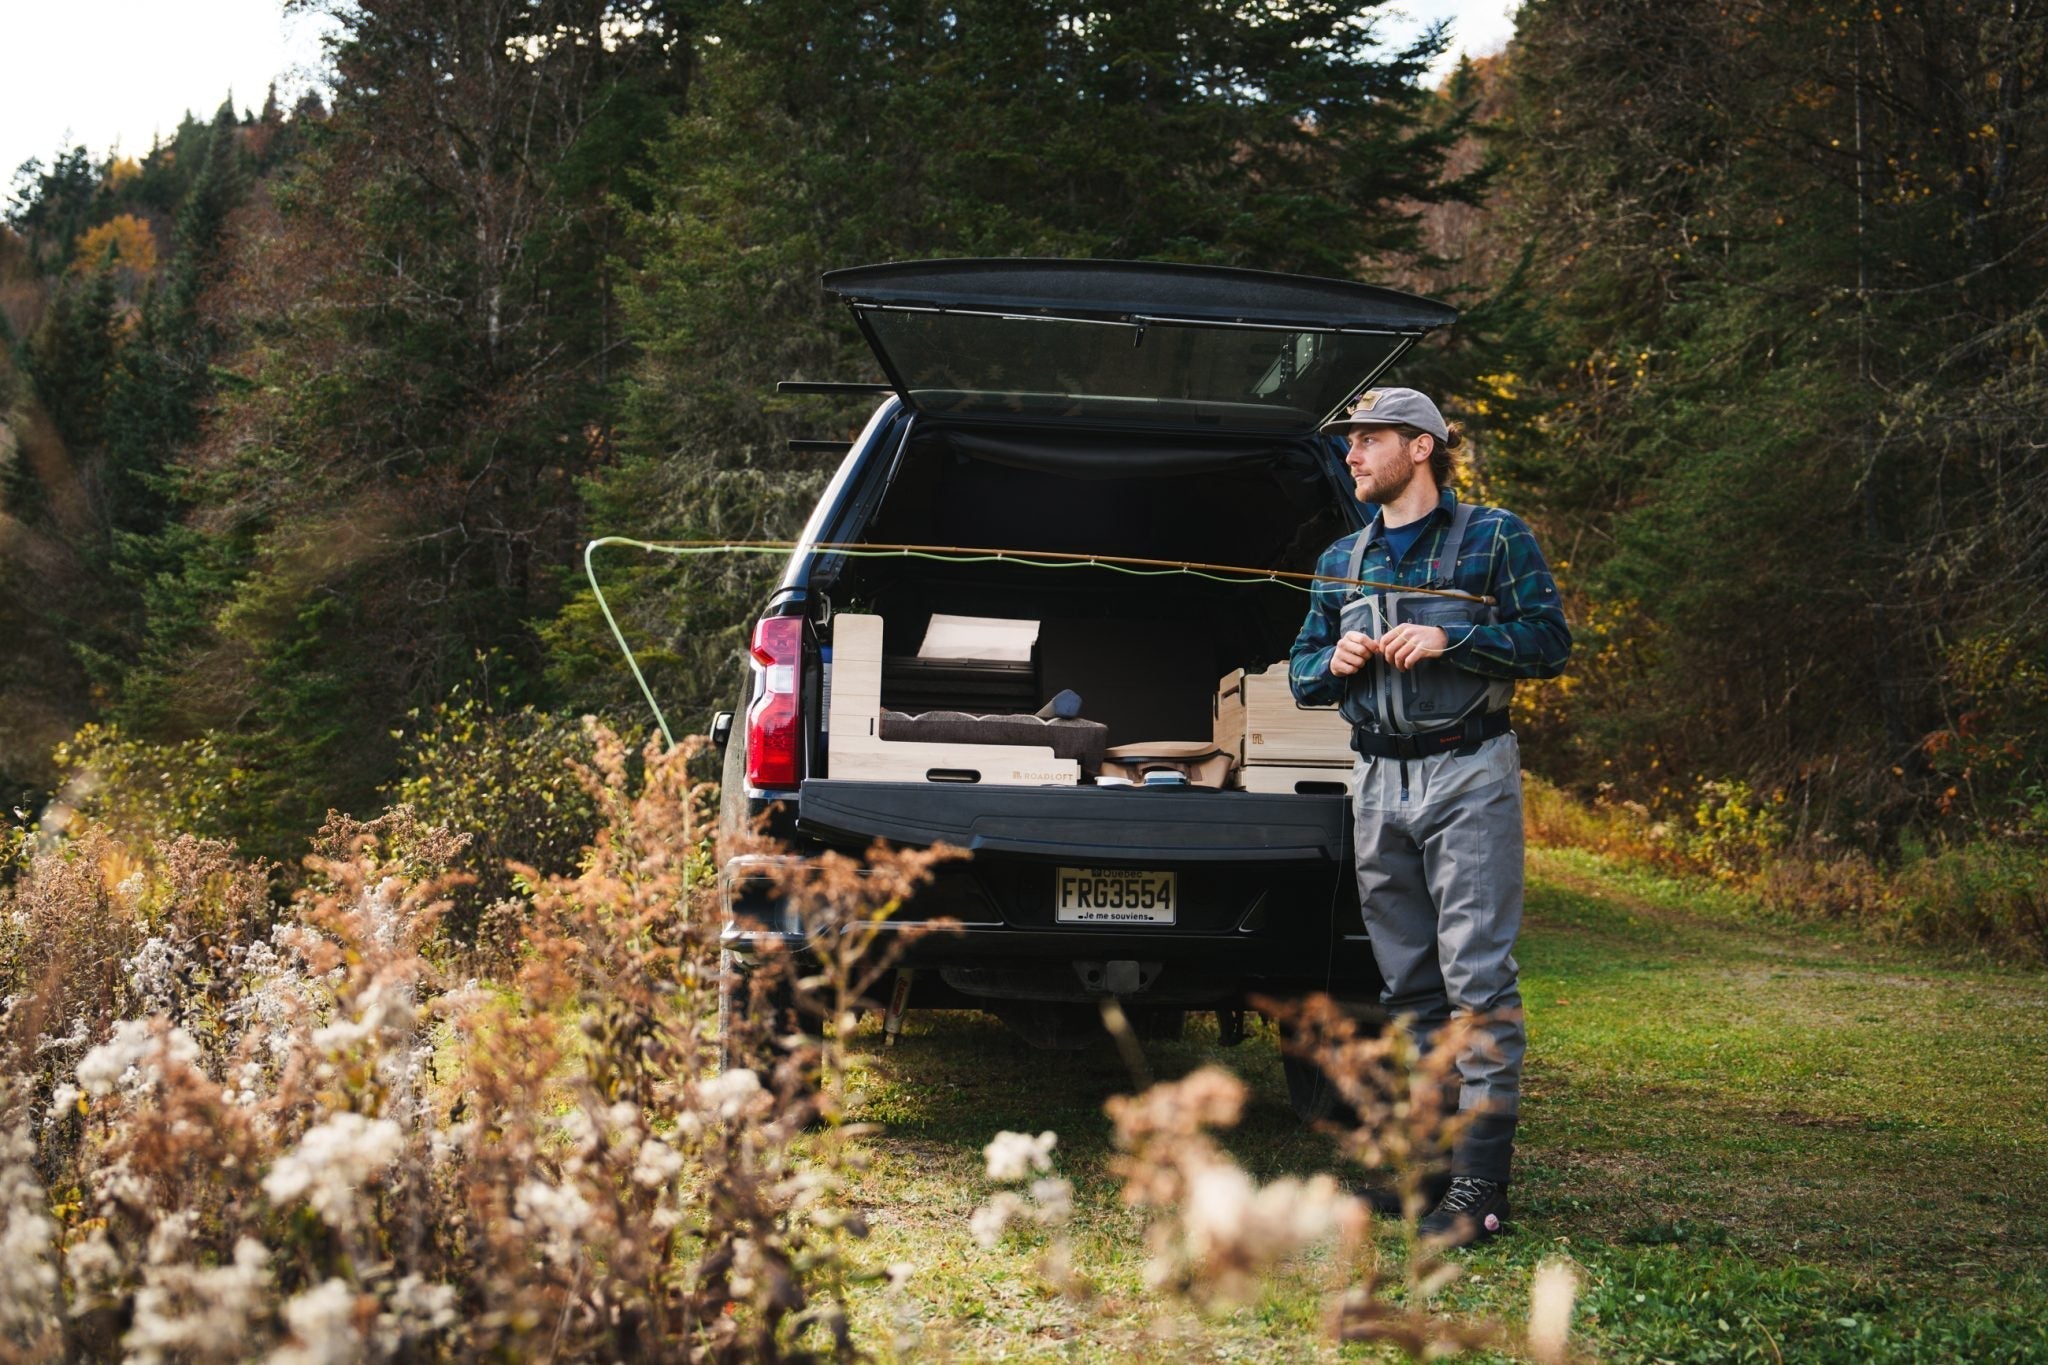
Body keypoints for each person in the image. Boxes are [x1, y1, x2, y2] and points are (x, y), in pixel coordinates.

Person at [1288, 386, 1570, 1246]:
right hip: (1377, 781)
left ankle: (1481, 1194)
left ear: (1420, 447)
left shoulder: (1495, 537)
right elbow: (1301, 672)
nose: (1351, 454)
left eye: (1367, 439)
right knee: (1409, 987)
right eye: (1350, 442)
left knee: (1476, 983)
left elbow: (1550, 641)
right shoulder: (1342, 555)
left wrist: (1459, 640)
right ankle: (1431, 1178)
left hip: (1468, 770)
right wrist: (1332, 659)